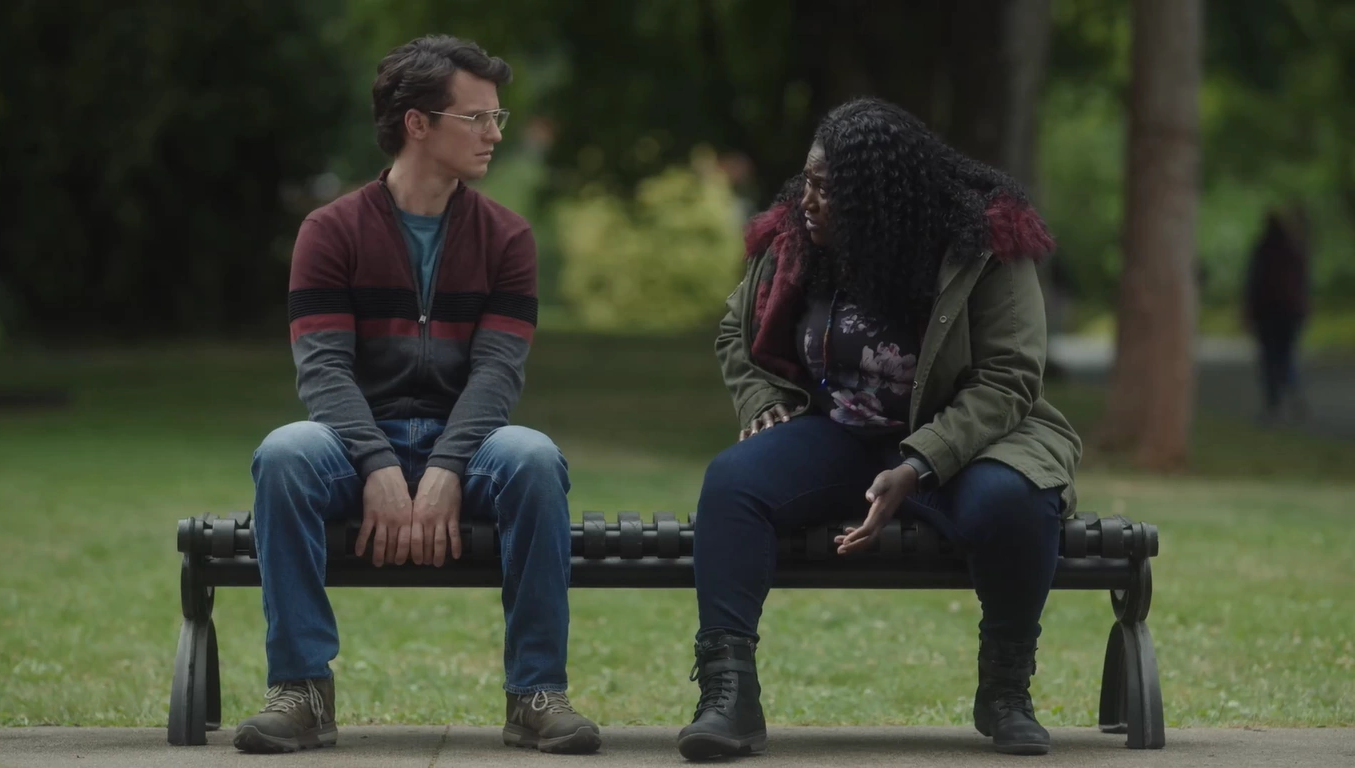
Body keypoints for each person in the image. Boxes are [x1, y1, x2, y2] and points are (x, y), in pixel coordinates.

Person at [677, 97, 1083, 760]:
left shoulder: (983, 246)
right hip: (840, 432)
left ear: (878, 197)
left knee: (1013, 500)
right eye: (807, 181)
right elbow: (736, 329)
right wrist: (759, 400)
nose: (808, 201)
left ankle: (1007, 690)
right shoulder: (795, 242)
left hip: (966, 442)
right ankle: (729, 696)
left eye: (827, 189)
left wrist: (917, 465)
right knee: (733, 483)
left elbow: (1008, 379)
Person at [232, 35, 600, 755]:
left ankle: (536, 693)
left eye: (497, 116)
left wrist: (446, 467)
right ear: (417, 124)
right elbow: (323, 371)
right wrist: (375, 463)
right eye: (477, 117)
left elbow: (498, 372)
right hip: (351, 443)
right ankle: (302, 691)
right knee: (284, 453)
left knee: (533, 457)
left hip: (469, 444)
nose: (495, 133)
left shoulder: (507, 238)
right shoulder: (329, 232)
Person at [1243, 207, 1311, 423]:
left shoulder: (1263, 250)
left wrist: (1247, 312)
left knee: (1270, 358)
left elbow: (1253, 283)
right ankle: (1292, 394)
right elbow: (1304, 283)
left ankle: (1274, 402)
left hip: (1267, 313)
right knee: (1286, 355)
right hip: (1290, 312)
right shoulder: (1295, 249)